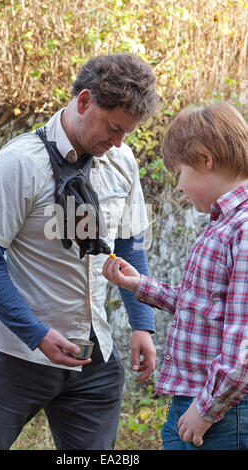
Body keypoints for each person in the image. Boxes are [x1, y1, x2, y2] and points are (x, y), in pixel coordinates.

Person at [0, 53, 158, 450]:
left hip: (93, 357)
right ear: (83, 102)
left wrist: (141, 323)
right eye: (114, 128)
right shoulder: (17, 164)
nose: (117, 142)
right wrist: (36, 334)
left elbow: (130, 242)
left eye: (126, 133)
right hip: (12, 354)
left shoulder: (121, 160)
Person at [103, 101, 248, 450]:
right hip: (201, 402)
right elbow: (203, 304)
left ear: (205, 159)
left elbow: (243, 339)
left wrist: (208, 408)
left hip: (224, 413)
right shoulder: (223, 225)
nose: (179, 187)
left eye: (180, 172)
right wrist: (139, 285)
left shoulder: (243, 229)